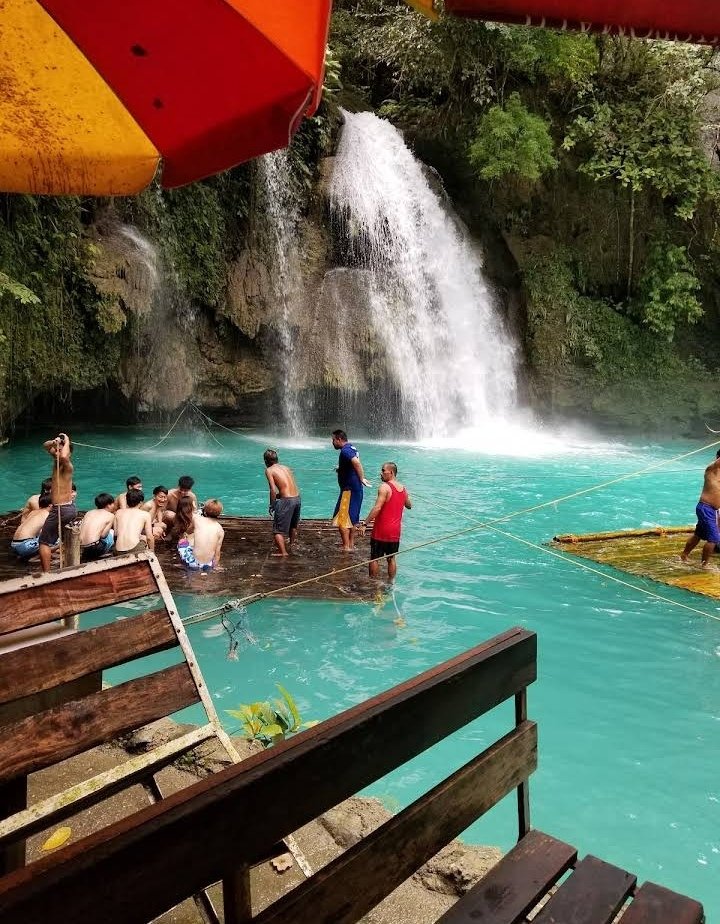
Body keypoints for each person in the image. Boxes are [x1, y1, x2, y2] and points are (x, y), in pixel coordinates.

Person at [364, 462, 412, 581]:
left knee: (374, 558)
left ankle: (373, 583)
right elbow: (409, 505)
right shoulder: (403, 488)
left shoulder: (384, 487)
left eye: (383, 470)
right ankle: (391, 582)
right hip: (395, 531)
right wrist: (405, 495)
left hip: (382, 529)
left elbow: (377, 508)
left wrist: (365, 523)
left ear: (391, 472)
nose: (381, 473)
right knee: (391, 558)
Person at [38, 432, 76, 573]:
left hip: (62, 508)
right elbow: (45, 446)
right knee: (58, 537)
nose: (57, 452)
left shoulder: (67, 466)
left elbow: (64, 456)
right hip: (66, 508)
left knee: (43, 542)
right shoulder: (57, 461)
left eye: (60, 450)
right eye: (57, 450)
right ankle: (66, 564)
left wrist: (66, 441)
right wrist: (55, 442)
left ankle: (46, 574)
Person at [331, 429, 371, 552]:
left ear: (339, 439)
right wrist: (341, 468)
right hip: (356, 490)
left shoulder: (345, 450)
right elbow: (352, 464)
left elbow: (356, 463)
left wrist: (361, 478)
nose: (332, 443)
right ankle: (351, 544)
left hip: (348, 490)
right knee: (353, 519)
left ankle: (346, 546)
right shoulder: (352, 448)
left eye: (333, 440)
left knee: (342, 519)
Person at [681, 449, 720, 567]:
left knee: (698, 535)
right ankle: (704, 565)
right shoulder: (711, 469)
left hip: (712, 510)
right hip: (706, 508)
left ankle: (684, 555)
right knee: (713, 538)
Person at [263, 449, 301, 557]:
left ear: (266, 461)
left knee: (277, 530)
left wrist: (272, 504)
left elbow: (272, 489)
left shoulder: (269, 470)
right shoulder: (286, 468)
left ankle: (283, 552)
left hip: (287, 501)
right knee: (293, 526)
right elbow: (287, 486)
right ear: (277, 459)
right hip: (297, 498)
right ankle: (291, 545)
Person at [174, 497, 225, 573]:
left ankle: (182, 563)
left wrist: (187, 535)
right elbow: (217, 553)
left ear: (204, 511)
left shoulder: (197, 519)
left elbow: (188, 531)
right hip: (207, 564)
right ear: (219, 513)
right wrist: (215, 566)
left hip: (193, 562)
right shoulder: (220, 530)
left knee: (182, 541)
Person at [113, 489, 154, 554]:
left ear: (127, 501)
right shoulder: (145, 514)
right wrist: (152, 551)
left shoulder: (118, 512)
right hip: (134, 549)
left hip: (118, 550)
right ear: (141, 502)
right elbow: (149, 537)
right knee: (144, 538)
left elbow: (115, 534)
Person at [11, 495, 53, 560]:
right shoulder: (47, 514)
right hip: (24, 546)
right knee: (57, 541)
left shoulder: (33, 512)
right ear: (50, 505)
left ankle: (25, 555)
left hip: (14, 544)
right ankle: (35, 557)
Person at [79, 493, 117, 562]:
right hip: (95, 548)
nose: (114, 506)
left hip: (82, 547)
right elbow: (103, 535)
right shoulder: (110, 515)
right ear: (108, 505)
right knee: (112, 532)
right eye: (113, 504)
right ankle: (105, 553)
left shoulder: (89, 512)